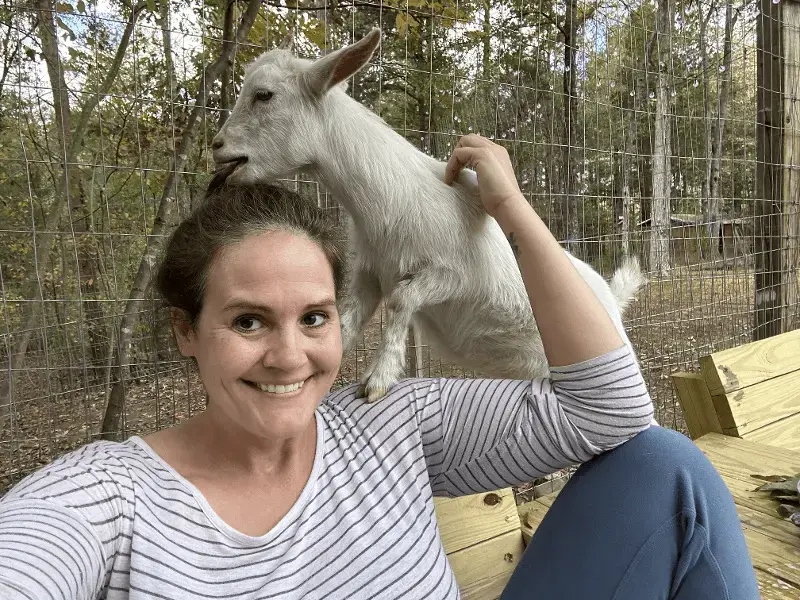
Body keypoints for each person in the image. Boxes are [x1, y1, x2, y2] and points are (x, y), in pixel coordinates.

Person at [0, 135, 758, 600]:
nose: (289, 355)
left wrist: (511, 211)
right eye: (248, 321)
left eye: (315, 318)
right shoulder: (111, 497)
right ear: (186, 332)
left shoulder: (389, 423)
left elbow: (613, 410)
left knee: (667, 465)